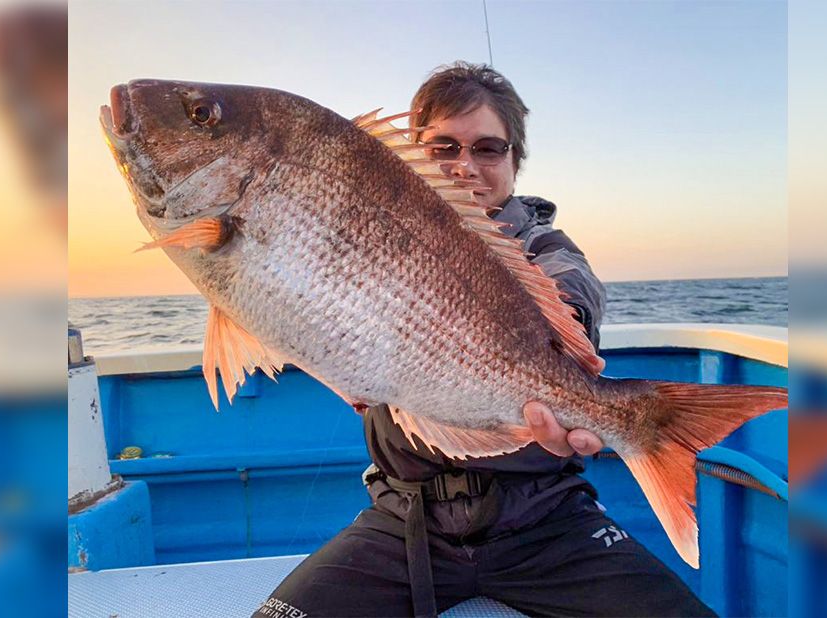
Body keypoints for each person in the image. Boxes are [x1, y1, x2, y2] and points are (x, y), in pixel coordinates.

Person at [253, 62, 714, 618]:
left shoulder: (547, 247)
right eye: (443, 147)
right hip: (404, 521)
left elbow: (572, 303)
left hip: (544, 521)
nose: (464, 166)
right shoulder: (365, 229)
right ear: (409, 156)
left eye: (488, 149)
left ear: (515, 163)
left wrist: (563, 386)